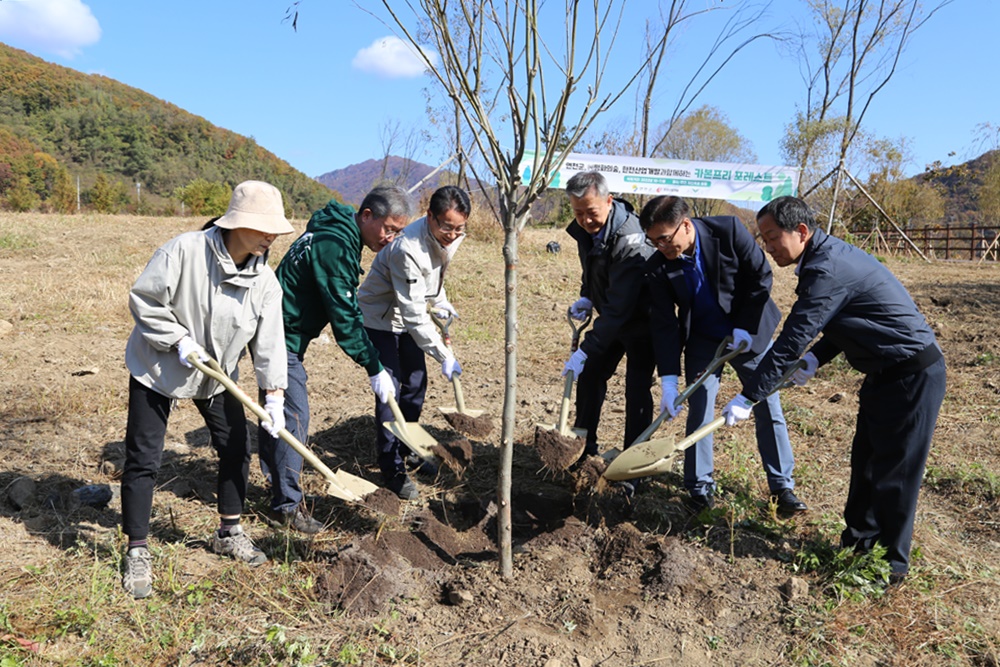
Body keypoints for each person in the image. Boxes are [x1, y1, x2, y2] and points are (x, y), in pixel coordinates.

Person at [723, 196, 946, 584]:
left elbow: (793, 338)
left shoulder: (828, 268)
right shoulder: (823, 260)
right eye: (764, 239)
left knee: (896, 472)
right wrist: (818, 358)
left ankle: (889, 568)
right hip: (882, 374)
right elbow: (848, 317)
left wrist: (749, 396)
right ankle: (856, 545)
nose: (769, 247)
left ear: (802, 232)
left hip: (912, 375)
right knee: (866, 464)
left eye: (773, 238)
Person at [121, 180, 295, 599]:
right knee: (145, 456)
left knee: (236, 446)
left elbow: (269, 342)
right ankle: (137, 550)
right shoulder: (184, 250)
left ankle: (229, 531)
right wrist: (178, 340)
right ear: (236, 223)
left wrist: (274, 395)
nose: (271, 235)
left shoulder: (265, 282)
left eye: (275, 227)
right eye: (262, 226)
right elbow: (144, 299)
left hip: (216, 374)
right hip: (159, 364)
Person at [258, 185, 414, 529]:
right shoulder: (336, 246)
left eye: (398, 232)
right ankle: (286, 506)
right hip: (278, 335)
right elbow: (345, 320)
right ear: (367, 216)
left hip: (280, 329)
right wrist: (374, 365)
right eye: (388, 229)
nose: (390, 238)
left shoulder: (338, 227)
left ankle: (277, 486)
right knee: (293, 415)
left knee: (278, 411)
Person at [640, 196, 807, 515]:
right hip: (704, 338)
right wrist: (670, 381)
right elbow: (664, 323)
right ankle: (699, 488)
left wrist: (744, 326)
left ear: (685, 225)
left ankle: (782, 487)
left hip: (749, 334)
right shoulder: (658, 266)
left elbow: (761, 276)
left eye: (664, 239)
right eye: (653, 241)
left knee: (766, 403)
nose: (660, 247)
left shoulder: (728, 231)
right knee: (700, 406)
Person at [357, 185, 471, 499]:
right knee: (391, 391)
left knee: (416, 384)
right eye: (446, 226)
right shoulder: (407, 247)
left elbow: (433, 275)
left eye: (459, 228)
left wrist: (441, 299)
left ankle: (407, 446)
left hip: (410, 312)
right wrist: (442, 353)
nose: (452, 234)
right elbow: (412, 314)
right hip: (379, 318)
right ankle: (392, 468)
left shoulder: (452, 236)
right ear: (429, 217)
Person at [560, 171, 656, 465]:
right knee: (589, 377)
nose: (586, 220)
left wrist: (586, 349)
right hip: (612, 319)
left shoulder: (631, 238)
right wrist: (588, 294)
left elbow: (620, 305)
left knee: (636, 389)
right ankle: (583, 448)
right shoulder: (586, 231)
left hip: (643, 322)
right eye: (578, 213)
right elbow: (592, 269)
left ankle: (633, 461)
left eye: (591, 212)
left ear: (609, 201)